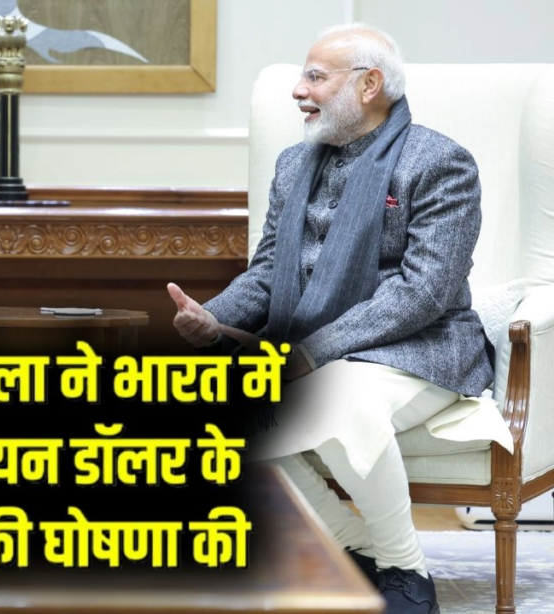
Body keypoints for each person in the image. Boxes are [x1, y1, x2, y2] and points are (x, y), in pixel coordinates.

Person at [168, 23, 504, 614]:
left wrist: (311, 353)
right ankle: (353, 550)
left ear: (369, 85)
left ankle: (405, 569)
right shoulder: (293, 164)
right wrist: (211, 319)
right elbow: (268, 273)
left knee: (337, 396)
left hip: (419, 348)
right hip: (310, 351)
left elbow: (423, 292)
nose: (298, 90)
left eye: (315, 77)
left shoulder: (440, 163)